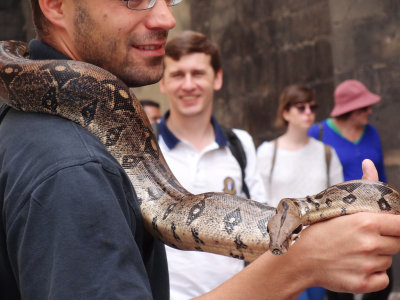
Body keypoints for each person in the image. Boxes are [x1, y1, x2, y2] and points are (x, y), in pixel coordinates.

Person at [1, 1, 400, 299]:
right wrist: (301, 266)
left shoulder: (30, 123)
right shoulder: (73, 170)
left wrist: (320, 233)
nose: (166, 18)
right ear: (55, 5)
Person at [157, 30, 267, 299]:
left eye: (198, 73)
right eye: (177, 74)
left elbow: (265, 224)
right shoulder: (143, 146)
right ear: (163, 83)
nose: (188, 84)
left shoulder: (240, 144)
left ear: (217, 78)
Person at [257, 84, 344, 300]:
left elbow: (339, 201)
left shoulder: (326, 153)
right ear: (285, 112)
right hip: (281, 245)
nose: (308, 112)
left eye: (312, 107)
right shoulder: (268, 152)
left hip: (319, 246)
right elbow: (259, 199)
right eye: (301, 107)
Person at [308, 80, 390, 300]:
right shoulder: (318, 133)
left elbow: (381, 175)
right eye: (364, 107)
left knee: (381, 283)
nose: (370, 111)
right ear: (349, 110)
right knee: (338, 288)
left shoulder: (371, 132)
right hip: (336, 219)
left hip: (373, 218)